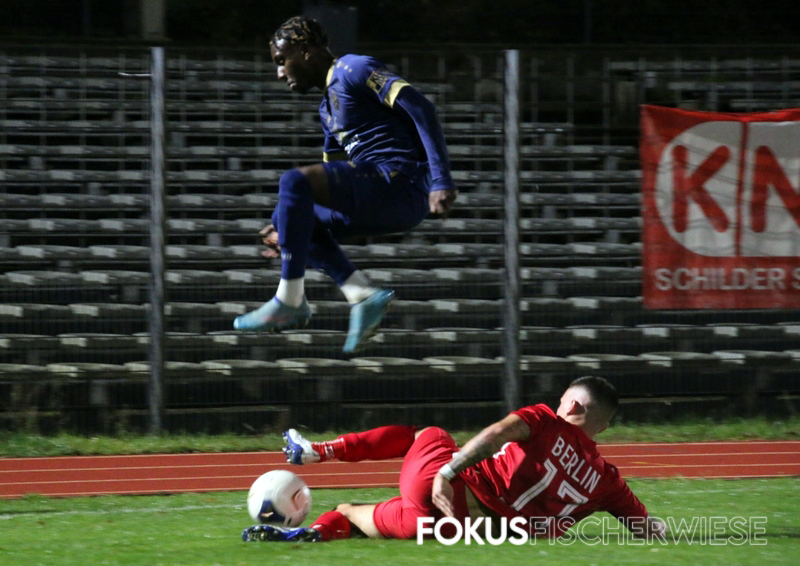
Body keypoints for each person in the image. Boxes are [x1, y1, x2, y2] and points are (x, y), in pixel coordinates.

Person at [233, 16, 458, 352]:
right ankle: (362, 295)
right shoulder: (327, 109)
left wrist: (441, 178)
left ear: (305, 50)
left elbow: (421, 108)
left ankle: (289, 300)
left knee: (294, 181)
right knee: (286, 217)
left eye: (282, 60)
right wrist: (290, 230)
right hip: (381, 195)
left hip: (401, 183)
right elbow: (333, 178)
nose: (280, 72)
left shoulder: (354, 68)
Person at [242, 376, 667, 543]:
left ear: (571, 406)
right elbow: (648, 529)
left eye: (562, 401)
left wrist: (447, 471)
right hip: (461, 531)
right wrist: (674, 533)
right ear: (602, 426)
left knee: (426, 435)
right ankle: (312, 534)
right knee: (349, 513)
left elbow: (496, 433)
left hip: (448, 492)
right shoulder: (608, 481)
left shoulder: (546, 420)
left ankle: (320, 451)